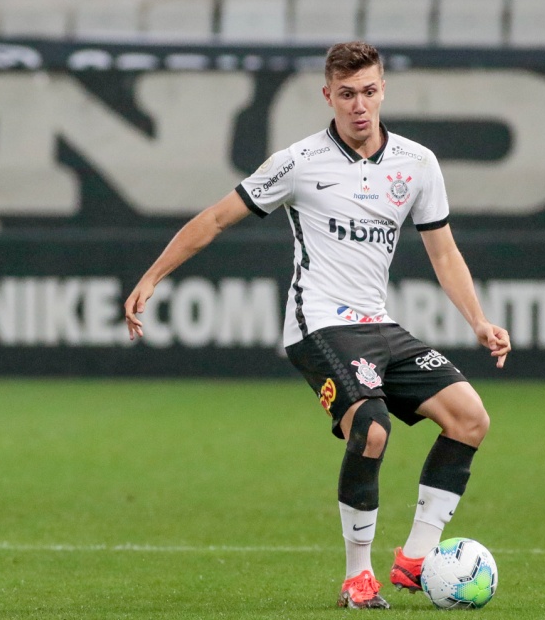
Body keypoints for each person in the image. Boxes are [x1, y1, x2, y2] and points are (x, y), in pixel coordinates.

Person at [123, 41, 511, 610]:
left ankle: (414, 561)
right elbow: (214, 219)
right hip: (319, 325)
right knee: (372, 429)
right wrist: (153, 276)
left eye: (370, 91)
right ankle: (359, 577)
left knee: (470, 418)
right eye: (347, 94)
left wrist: (478, 320)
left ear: (383, 90)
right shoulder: (297, 163)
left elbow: (443, 254)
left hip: (380, 325)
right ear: (328, 96)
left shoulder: (417, 163)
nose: (360, 105)